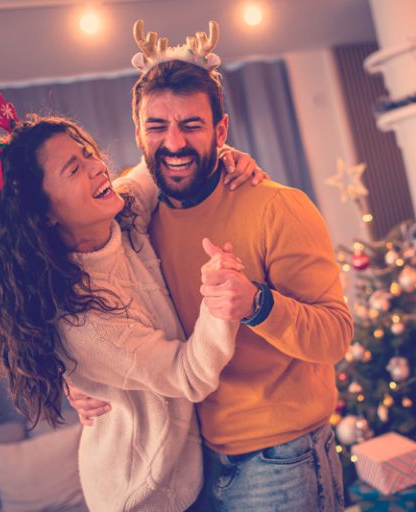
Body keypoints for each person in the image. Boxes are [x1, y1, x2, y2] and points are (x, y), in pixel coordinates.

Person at [0, 77, 267, 512]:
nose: (98, 167)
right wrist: (220, 300)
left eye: (88, 154)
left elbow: (164, 165)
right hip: (144, 497)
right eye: (73, 169)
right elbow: (188, 375)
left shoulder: (122, 214)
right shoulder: (81, 319)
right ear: (43, 214)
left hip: (193, 472)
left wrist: (227, 156)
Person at [69, 20, 353, 511]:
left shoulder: (276, 206)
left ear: (220, 130)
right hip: (194, 467)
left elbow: (336, 336)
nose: (174, 143)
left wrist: (258, 304)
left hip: (280, 459)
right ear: (138, 132)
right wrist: (84, 383)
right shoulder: (136, 218)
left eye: (192, 125)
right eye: (158, 126)